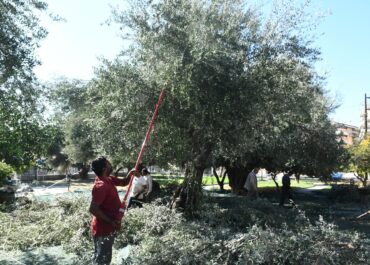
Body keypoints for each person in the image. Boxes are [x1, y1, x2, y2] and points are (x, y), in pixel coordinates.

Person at [89, 157, 139, 265]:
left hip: (109, 227)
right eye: (108, 164)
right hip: (103, 229)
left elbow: (124, 182)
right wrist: (111, 221)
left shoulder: (108, 179)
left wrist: (130, 174)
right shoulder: (101, 185)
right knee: (103, 260)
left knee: (102, 257)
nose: (111, 165)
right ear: (104, 168)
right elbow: (93, 209)